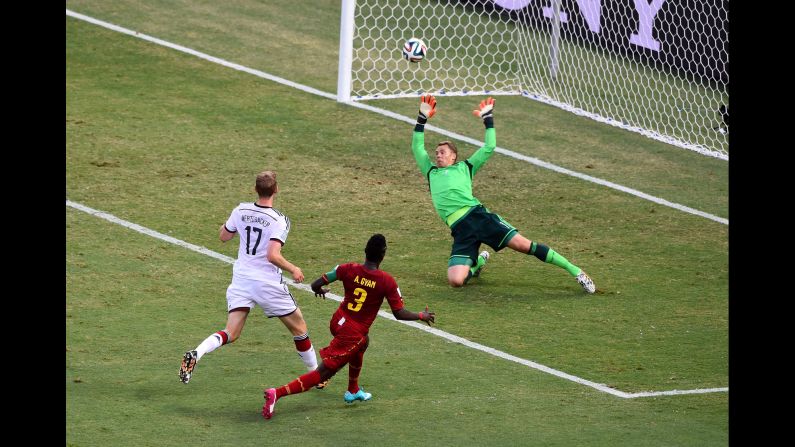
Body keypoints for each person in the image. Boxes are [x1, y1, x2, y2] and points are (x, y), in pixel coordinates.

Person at [410, 95, 596, 293]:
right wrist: (422, 118)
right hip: (460, 229)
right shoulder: (431, 172)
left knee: (525, 246)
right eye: (436, 152)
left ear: (453, 156)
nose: (438, 154)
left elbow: (489, 147)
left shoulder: (466, 167)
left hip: (479, 217)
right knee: (455, 281)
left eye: (442, 152)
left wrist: (488, 119)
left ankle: (576, 271)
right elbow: (417, 147)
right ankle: (479, 261)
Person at [262, 234, 435, 419]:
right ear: (383, 255)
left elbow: (315, 284)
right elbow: (399, 313)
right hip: (351, 333)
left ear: (365, 252)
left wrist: (319, 290)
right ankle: (277, 393)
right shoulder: (387, 281)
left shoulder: (347, 268)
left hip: (338, 321)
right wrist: (421, 315)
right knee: (323, 373)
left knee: (363, 342)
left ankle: (353, 390)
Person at [179, 170, 324, 387]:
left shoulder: (241, 209)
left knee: (231, 332)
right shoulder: (279, 220)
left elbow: (223, 236)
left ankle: (196, 353)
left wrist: (238, 221)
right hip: (267, 283)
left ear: (256, 190)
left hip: (241, 280)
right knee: (299, 329)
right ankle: (317, 376)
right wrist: (293, 268)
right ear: (276, 189)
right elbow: (272, 255)